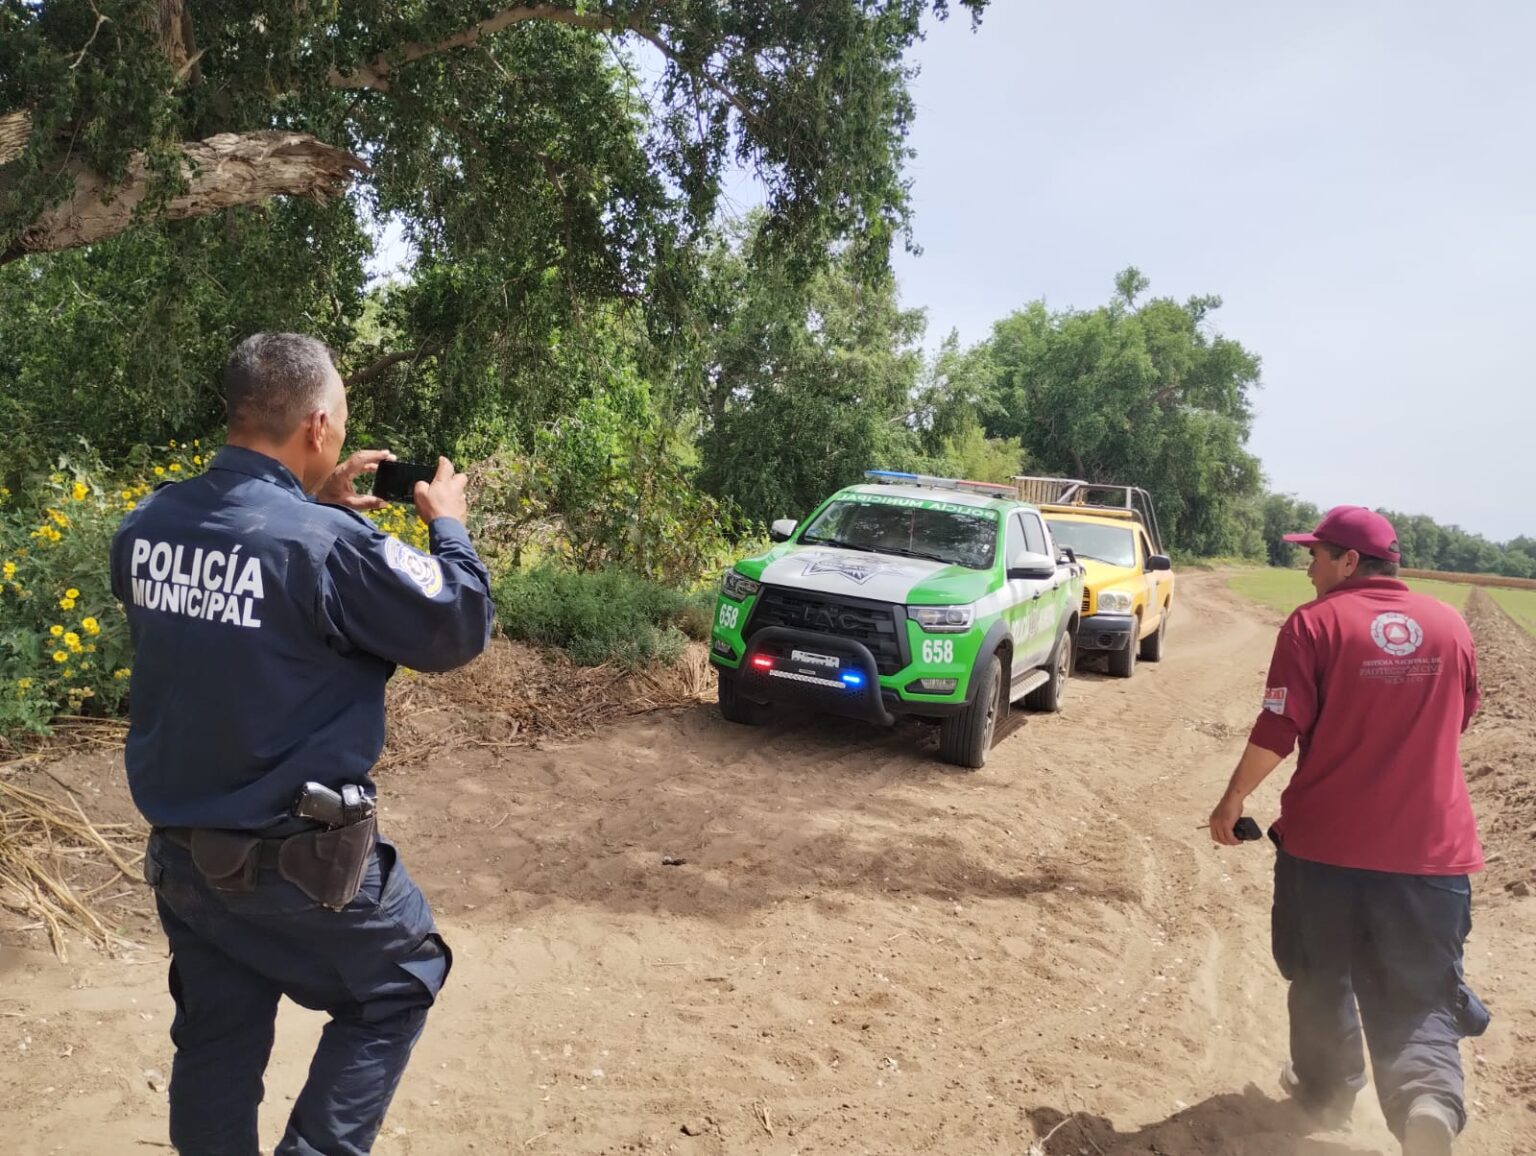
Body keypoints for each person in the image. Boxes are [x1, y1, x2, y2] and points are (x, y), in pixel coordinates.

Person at [110, 333, 494, 1155]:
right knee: (402, 979)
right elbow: (457, 622)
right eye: (342, 424)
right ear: (318, 426)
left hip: (183, 860)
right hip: (300, 868)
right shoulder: (329, 547)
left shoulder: (146, 523)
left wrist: (312, 506)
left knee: (217, 1038)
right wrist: (449, 527)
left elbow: (235, 601)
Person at [1206, 505, 1489, 1156]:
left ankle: (1324, 1093)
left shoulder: (1314, 624)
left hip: (1325, 851)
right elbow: (1461, 717)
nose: (1307, 568)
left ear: (1350, 562)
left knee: (1320, 973)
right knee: (1418, 994)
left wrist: (1233, 799)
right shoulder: (1451, 626)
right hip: (1431, 856)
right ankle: (1427, 1102)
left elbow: (1279, 728)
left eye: (1316, 555)